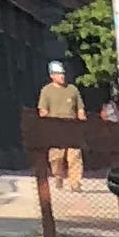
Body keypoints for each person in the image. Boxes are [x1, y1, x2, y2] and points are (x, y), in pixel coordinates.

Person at [36, 61, 83, 190]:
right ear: (52, 76)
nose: (62, 76)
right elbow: (42, 110)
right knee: (56, 158)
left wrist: (81, 122)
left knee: (75, 156)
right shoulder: (46, 91)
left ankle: (75, 183)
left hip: (72, 127)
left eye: (62, 73)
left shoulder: (72, 90)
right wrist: (45, 117)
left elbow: (80, 109)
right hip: (55, 128)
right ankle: (58, 176)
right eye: (58, 74)